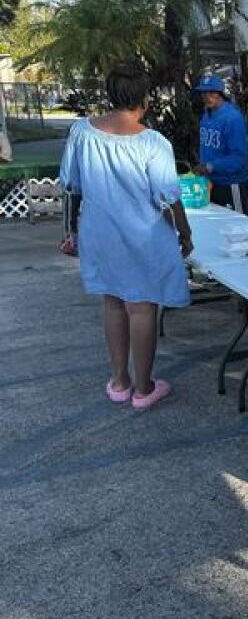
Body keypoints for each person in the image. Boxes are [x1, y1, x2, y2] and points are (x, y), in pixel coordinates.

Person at [58, 61, 193, 410]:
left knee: (113, 302)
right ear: (145, 99)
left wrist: (71, 230)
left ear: (110, 94)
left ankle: (120, 381)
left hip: (99, 232)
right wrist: (184, 230)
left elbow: (71, 185)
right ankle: (144, 388)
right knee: (141, 307)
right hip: (142, 235)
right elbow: (167, 197)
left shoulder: (82, 133)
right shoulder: (153, 142)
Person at [194, 75, 248, 212]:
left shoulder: (232, 118)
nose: (207, 97)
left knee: (238, 227)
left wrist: (210, 166)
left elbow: (239, 158)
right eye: (204, 93)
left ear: (221, 94)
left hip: (229, 184)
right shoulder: (207, 114)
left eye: (212, 93)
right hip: (209, 183)